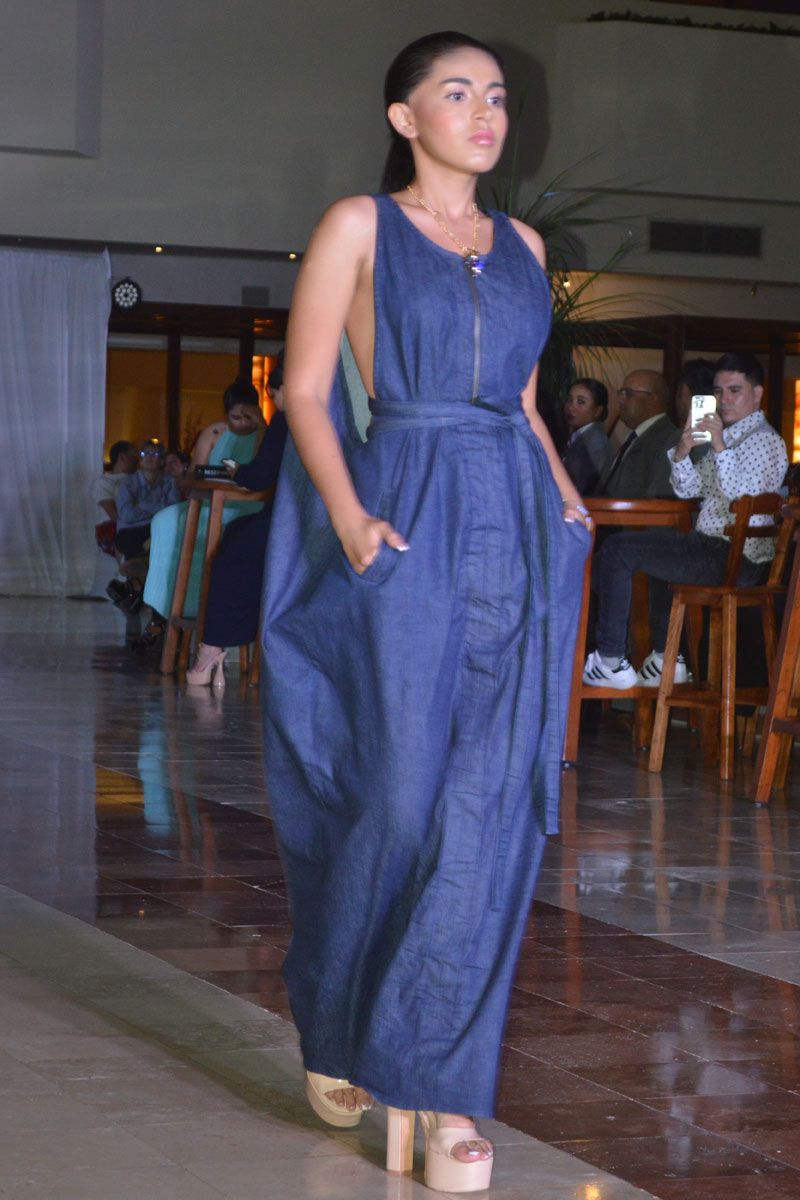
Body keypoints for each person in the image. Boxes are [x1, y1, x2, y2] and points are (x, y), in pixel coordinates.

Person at [260, 31, 589, 1193]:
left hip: (517, 528)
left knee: (487, 813)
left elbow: (523, 406)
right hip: (403, 514)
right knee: (394, 803)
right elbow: (305, 391)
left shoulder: (525, 247)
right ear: (404, 118)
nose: (484, 112)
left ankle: (440, 1091)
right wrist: (351, 519)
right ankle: (339, 1018)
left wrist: (565, 501)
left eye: (494, 95)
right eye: (456, 93)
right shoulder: (360, 225)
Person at [583, 351, 788, 689]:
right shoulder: (732, 436)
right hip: (716, 549)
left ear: (758, 394)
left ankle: (610, 659)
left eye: (734, 390)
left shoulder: (765, 440)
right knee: (643, 548)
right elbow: (689, 489)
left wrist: (718, 446)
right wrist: (682, 451)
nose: (724, 400)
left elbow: (742, 498)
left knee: (620, 549)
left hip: (734, 557)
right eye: (718, 392)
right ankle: (667, 657)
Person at [186, 363, 288, 687]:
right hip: (304, 515)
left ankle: (212, 647)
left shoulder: (283, 421)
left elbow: (259, 475)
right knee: (236, 534)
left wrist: (239, 471)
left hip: (286, 517)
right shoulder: (216, 432)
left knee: (233, 550)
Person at [141, 377, 265, 635]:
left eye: (247, 417)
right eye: (235, 417)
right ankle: (171, 600)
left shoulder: (263, 434)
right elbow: (194, 474)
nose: (241, 424)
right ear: (226, 414)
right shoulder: (214, 433)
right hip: (211, 499)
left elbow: (262, 473)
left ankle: (213, 605)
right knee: (164, 520)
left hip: (246, 503)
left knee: (221, 529)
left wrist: (261, 425)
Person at [598, 369, 676, 498]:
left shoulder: (668, 439)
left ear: (652, 399)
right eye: (621, 393)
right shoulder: (634, 436)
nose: (620, 399)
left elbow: (659, 498)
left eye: (628, 393)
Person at [561, 377, 612, 496]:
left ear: (598, 411)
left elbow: (581, 488)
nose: (570, 407)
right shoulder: (580, 437)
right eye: (569, 400)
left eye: (581, 402)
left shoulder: (595, 442)